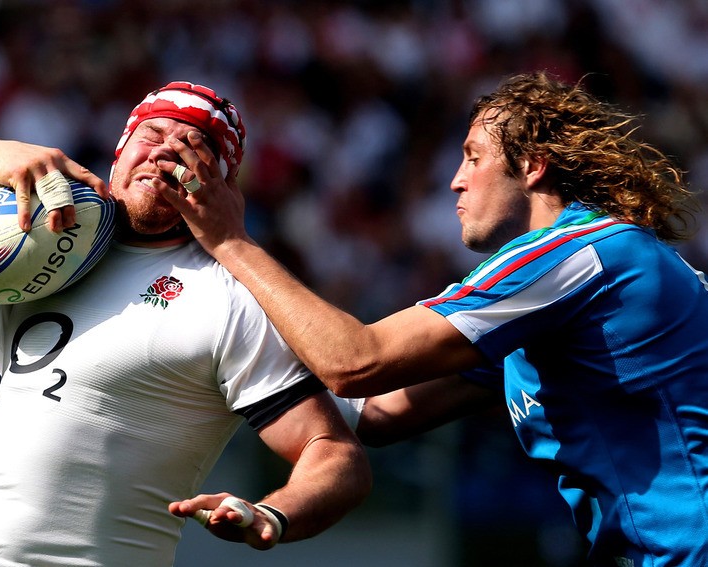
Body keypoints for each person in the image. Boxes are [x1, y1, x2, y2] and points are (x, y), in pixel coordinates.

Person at [155, 71, 708, 566]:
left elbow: (355, 362)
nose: (455, 181)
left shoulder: (582, 255)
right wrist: (221, 362)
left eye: (473, 157)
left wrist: (231, 241)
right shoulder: (555, 301)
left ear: (532, 166)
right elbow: (376, 413)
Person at [0, 81, 371, 566]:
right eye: (152, 134)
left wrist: (273, 515)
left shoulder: (231, 298)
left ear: (220, 186)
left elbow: (334, 455)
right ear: (120, 150)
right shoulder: (47, 246)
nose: (165, 151)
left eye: (194, 148)